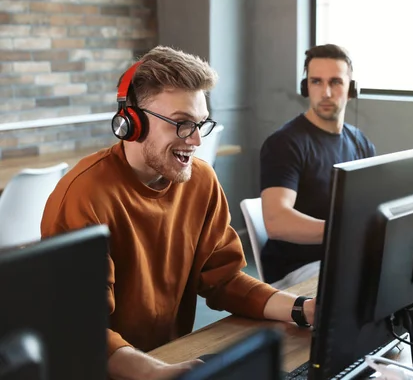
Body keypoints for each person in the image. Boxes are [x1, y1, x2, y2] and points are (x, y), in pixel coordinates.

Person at [41, 46, 316, 380]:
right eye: (183, 124)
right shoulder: (84, 196)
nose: (197, 139)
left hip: (172, 359)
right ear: (132, 122)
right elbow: (81, 328)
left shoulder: (201, 180)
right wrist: (156, 372)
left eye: (201, 124)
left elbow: (223, 279)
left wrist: (302, 309)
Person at [259, 44, 376, 287]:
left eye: (335, 82)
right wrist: (343, 232)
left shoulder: (361, 143)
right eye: (316, 82)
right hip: (297, 270)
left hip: (342, 259)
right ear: (306, 87)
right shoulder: (285, 144)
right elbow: (276, 222)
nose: (325, 92)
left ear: (351, 89)